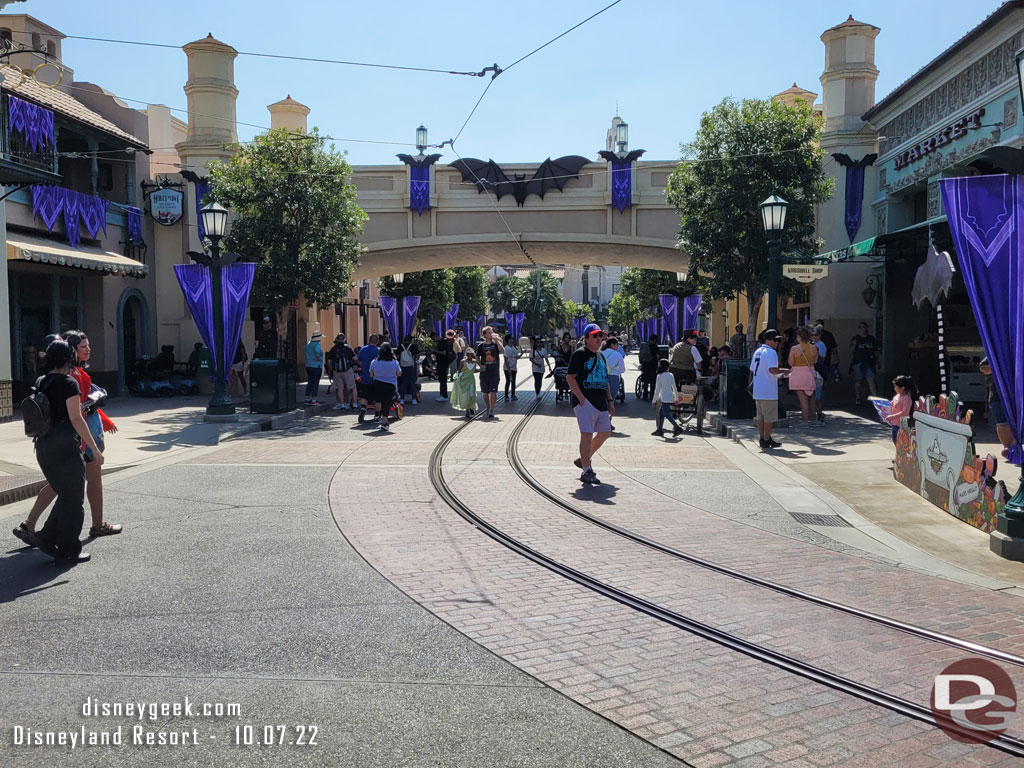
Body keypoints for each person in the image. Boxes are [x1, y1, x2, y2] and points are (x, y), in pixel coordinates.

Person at [17, 330, 121, 545]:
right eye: (82, 346)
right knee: (75, 490)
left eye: (88, 345)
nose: (87, 349)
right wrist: (91, 445)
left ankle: (31, 526)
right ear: (70, 352)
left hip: (52, 440)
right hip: (74, 438)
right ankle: (80, 533)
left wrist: (103, 418)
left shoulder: (47, 378)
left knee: (60, 485)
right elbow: (77, 413)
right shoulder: (71, 379)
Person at [566, 323, 614, 485]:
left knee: (605, 432)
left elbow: (605, 379)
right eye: (595, 336)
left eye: (600, 335)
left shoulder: (601, 356)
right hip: (585, 401)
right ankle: (587, 470)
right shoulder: (580, 355)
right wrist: (581, 399)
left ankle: (583, 459)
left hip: (601, 401)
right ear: (586, 338)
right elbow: (570, 378)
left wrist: (610, 400)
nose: (599, 339)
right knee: (586, 434)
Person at [749, 330, 788, 450]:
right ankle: (766, 439)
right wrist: (785, 372)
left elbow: (752, 370)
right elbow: (772, 370)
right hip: (768, 391)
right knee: (768, 418)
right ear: (768, 340)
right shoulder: (771, 353)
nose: (777, 342)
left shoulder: (758, 352)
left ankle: (763, 437)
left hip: (758, 390)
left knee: (760, 417)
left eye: (778, 340)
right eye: (775, 340)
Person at [980, 357, 1016, 458]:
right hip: (999, 396)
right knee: (1003, 423)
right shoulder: (998, 349)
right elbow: (983, 367)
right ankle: (1008, 448)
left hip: (1018, 396)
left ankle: (1014, 447)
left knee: (1016, 423)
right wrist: (999, 368)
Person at [788, 326, 820, 427]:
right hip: (810, 374)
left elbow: (791, 362)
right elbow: (815, 362)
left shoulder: (794, 348)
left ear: (798, 337)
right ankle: (813, 419)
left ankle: (805, 421)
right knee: (811, 398)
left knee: (803, 400)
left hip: (798, 375)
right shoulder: (814, 348)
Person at [369, 342, 401, 432]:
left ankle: (377, 415)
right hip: (390, 385)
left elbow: (371, 374)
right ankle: (385, 420)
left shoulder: (374, 362)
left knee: (378, 400)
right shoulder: (394, 362)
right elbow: (398, 373)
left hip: (378, 383)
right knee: (386, 402)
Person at [476, 326, 504, 419]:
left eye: (492, 332)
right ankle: (488, 405)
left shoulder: (496, 344)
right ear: (484, 335)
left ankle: (491, 409)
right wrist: (480, 365)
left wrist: (498, 340)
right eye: (489, 333)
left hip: (494, 371)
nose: (491, 334)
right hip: (484, 372)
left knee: (493, 391)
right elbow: (477, 357)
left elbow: (502, 351)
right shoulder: (481, 346)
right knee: (485, 392)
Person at [651, 358, 684, 438]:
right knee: (661, 413)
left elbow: (657, 390)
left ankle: (677, 427)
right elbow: (674, 388)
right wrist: (676, 398)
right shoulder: (670, 375)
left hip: (664, 397)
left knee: (666, 414)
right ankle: (660, 429)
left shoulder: (659, 376)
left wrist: (654, 401)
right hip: (670, 396)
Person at [849, 321, 879, 404]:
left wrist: (877, 361)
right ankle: (858, 397)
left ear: (866, 328)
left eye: (863, 327)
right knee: (858, 380)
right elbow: (851, 351)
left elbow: (875, 350)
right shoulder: (856, 339)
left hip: (869, 362)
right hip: (858, 362)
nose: (862, 329)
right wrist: (854, 344)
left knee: (871, 379)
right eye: (860, 327)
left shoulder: (871, 338)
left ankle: (875, 398)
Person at [885, 374, 919, 443]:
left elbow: (905, 412)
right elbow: (892, 404)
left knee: (900, 444)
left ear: (902, 388)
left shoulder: (906, 398)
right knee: (895, 442)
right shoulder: (897, 396)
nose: (894, 388)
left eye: (896, 386)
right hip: (894, 424)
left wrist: (893, 416)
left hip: (901, 426)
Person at [327, 333, 357, 410]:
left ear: (337, 339)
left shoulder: (333, 348)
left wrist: (331, 370)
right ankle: (355, 404)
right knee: (352, 387)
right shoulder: (348, 348)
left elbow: (329, 360)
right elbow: (354, 359)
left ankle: (342, 404)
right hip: (347, 370)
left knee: (339, 388)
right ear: (344, 339)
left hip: (337, 371)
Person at [356, 334, 381, 422]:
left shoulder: (363, 349)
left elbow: (359, 361)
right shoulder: (379, 351)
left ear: (369, 340)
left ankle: (363, 408)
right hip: (376, 378)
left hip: (365, 377)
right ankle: (377, 415)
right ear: (377, 341)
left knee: (364, 395)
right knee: (377, 398)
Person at [450, 349, 479, 418]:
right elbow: (459, 371)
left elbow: (474, 370)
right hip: (463, 381)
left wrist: (482, 369)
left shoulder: (475, 362)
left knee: (471, 394)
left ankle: (471, 407)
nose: (470, 357)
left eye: (471, 355)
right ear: (466, 355)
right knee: (465, 395)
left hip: (471, 380)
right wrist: (456, 378)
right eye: (468, 355)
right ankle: (467, 409)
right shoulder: (463, 362)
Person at [602, 336, 626, 412]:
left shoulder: (601, 353)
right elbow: (622, 370)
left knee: (603, 399)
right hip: (614, 378)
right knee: (611, 400)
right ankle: (609, 420)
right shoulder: (617, 354)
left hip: (601, 377)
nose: (618, 347)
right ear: (612, 345)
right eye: (617, 345)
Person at [811, 329, 828, 423]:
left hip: (818, 372)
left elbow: (821, 359)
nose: (814, 336)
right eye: (812, 335)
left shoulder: (821, 345)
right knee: (813, 395)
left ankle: (819, 413)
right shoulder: (812, 344)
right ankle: (818, 413)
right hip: (812, 371)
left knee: (817, 396)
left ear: (819, 335)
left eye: (816, 335)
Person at [398, 334, 419, 405]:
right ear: (410, 340)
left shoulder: (400, 346)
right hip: (411, 366)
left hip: (403, 366)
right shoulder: (413, 346)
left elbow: (397, 356)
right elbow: (417, 355)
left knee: (403, 382)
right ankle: (413, 399)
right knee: (412, 382)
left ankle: (402, 399)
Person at [304, 331, 324, 406]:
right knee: (315, 382)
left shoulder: (308, 344)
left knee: (310, 382)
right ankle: (314, 399)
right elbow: (317, 352)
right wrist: (317, 357)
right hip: (316, 365)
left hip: (308, 365)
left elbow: (303, 348)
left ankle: (307, 398)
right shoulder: (317, 345)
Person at [436, 330, 456, 402]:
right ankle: (443, 395)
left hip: (443, 363)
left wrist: (435, 351)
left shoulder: (443, 342)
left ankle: (444, 395)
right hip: (448, 361)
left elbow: (444, 353)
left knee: (442, 380)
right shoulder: (452, 341)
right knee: (443, 379)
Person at [638, 334, 658, 400]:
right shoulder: (655, 347)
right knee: (652, 381)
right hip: (652, 366)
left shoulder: (644, 345)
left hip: (644, 365)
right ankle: (652, 395)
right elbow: (657, 356)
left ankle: (645, 395)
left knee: (645, 380)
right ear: (655, 340)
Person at [503, 334, 519, 401]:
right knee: (508, 381)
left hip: (514, 368)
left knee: (513, 382)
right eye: (511, 338)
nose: (512, 340)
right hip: (508, 368)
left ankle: (513, 395)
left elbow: (516, 357)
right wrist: (508, 369)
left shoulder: (514, 347)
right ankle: (506, 396)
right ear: (508, 340)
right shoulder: (506, 348)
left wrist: (522, 354)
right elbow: (506, 359)